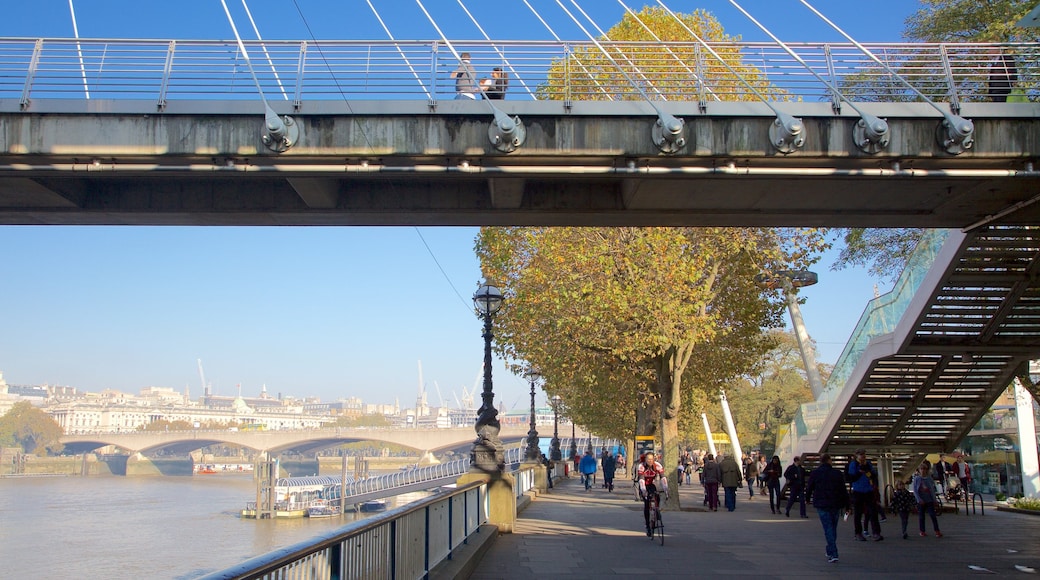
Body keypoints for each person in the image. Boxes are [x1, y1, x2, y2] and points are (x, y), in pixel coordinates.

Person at [807, 453, 851, 563]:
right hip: (835, 503)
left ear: (821, 461)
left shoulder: (815, 473)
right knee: (832, 527)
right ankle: (830, 549)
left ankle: (833, 552)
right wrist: (848, 505)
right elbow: (843, 490)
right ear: (829, 461)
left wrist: (807, 498)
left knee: (828, 528)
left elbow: (809, 487)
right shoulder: (837, 473)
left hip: (822, 503)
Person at [848, 449, 883, 541]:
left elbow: (873, 475)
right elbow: (852, 478)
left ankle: (876, 532)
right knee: (858, 513)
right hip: (858, 491)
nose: (863, 456)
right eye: (861, 455)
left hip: (868, 490)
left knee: (873, 512)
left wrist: (867, 471)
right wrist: (860, 472)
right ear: (856, 456)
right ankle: (858, 533)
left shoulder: (868, 464)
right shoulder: (853, 464)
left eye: (864, 454)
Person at [637, 451, 668, 536]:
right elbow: (641, 479)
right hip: (643, 484)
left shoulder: (657, 465)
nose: (650, 461)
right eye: (648, 459)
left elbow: (663, 477)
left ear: (654, 459)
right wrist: (643, 491)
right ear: (645, 459)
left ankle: (657, 511)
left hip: (651, 484)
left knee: (656, 495)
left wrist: (665, 488)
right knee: (647, 504)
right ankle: (647, 525)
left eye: (651, 459)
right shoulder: (641, 466)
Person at [913, 462, 943, 538]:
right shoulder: (917, 479)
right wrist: (919, 499)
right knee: (921, 516)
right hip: (921, 500)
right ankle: (922, 531)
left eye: (924, 469)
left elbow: (932, 489)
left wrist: (934, 500)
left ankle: (937, 531)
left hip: (929, 500)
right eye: (921, 469)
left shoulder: (929, 478)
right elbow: (915, 491)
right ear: (919, 470)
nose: (923, 470)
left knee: (933, 515)